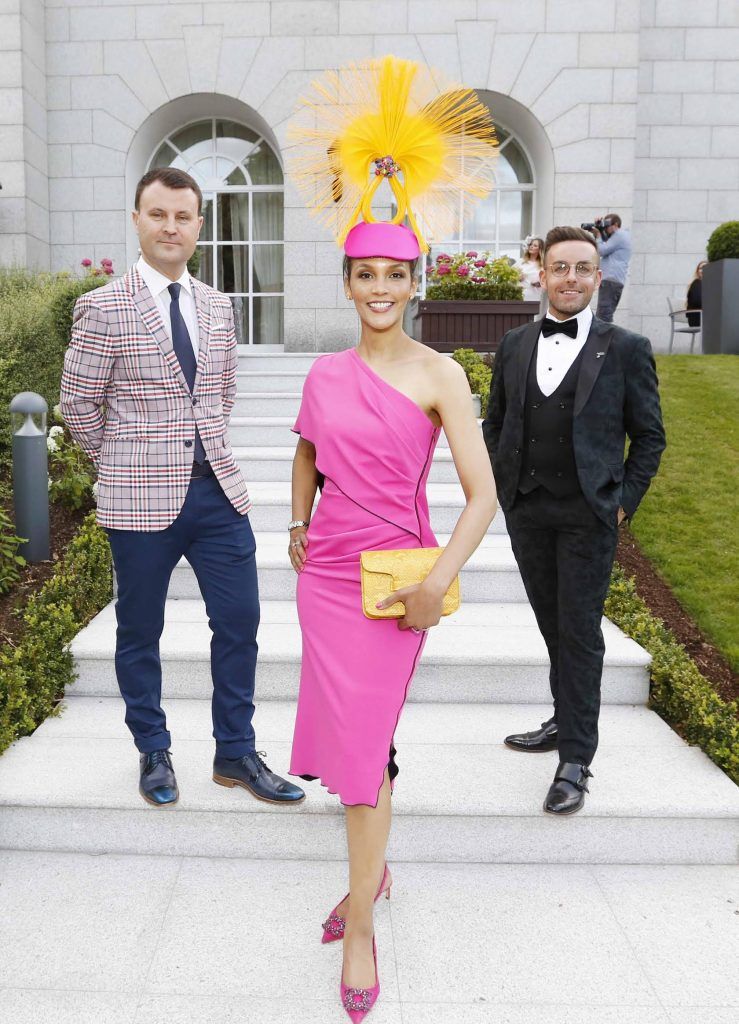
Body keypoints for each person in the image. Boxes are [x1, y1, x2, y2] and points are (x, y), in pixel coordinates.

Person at [287, 55, 498, 1022]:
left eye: (394, 274)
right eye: (364, 274)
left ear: (415, 280)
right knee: (352, 749)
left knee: (364, 751)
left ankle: (362, 919)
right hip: (325, 577)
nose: (379, 287)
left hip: (392, 584)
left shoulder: (441, 374)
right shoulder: (325, 374)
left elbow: (481, 496)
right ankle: (371, 877)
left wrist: (436, 586)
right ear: (347, 280)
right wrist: (295, 522)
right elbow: (306, 455)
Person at [60, 167, 304, 810]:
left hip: (217, 494)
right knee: (140, 629)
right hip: (138, 497)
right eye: (158, 214)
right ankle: (153, 748)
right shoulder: (103, 305)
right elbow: (79, 405)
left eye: (183, 216)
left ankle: (236, 751)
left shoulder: (218, 305)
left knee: (241, 621)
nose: (171, 226)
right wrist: (119, 465)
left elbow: (221, 392)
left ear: (199, 225)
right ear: (137, 219)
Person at [482, 225, 665, 816]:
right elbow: (496, 423)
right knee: (552, 623)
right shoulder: (512, 343)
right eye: (560, 268)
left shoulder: (628, 348)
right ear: (543, 273)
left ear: (598, 277)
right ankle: (564, 720)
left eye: (583, 269)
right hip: (528, 509)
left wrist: (621, 502)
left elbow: (651, 438)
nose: (571, 279)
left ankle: (577, 759)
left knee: (581, 632)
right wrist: (504, 487)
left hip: (589, 513)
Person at [592, 213, 632, 323]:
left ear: (616, 225)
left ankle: (604, 340)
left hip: (610, 280)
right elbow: (606, 244)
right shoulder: (621, 236)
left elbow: (601, 250)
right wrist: (599, 229)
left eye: (607, 225)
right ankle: (605, 339)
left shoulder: (620, 235)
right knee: (604, 315)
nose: (606, 228)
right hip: (613, 281)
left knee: (603, 317)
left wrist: (599, 236)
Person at [515, 236, 545, 302]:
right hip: (519, 297)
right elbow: (509, 277)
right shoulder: (520, 262)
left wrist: (539, 283)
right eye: (531, 244)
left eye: (535, 245)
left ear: (540, 249)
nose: (531, 246)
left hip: (535, 297)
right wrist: (517, 277)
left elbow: (547, 282)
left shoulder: (543, 265)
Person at [686, 260, 707, 328]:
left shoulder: (709, 285)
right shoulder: (696, 283)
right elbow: (697, 301)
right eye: (701, 268)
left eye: (706, 267)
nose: (703, 269)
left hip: (704, 317)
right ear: (698, 271)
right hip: (697, 318)